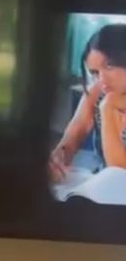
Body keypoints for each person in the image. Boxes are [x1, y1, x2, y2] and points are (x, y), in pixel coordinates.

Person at [50, 23, 126, 181]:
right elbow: (70, 140)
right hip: (103, 184)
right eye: (95, 72)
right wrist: (57, 159)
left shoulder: (106, 101)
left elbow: (120, 174)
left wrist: (107, 109)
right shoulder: (97, 93)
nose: (102, 79)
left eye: (109, 66)